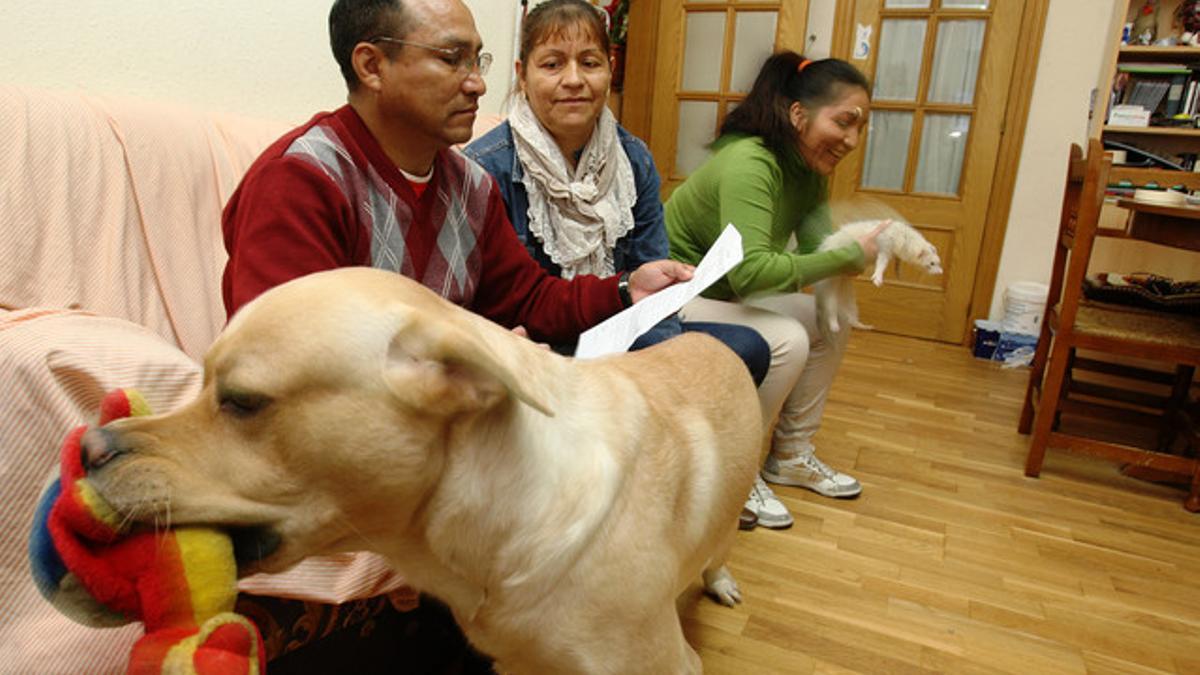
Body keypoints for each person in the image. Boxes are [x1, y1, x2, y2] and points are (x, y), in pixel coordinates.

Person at [221, 0, 693, 347]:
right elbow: (280, 355)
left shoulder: (468, 184)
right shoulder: (302, 180)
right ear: (371, 66)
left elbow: (529, 300)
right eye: (452, 59)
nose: (477, 83)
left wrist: (628, 288)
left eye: (476, 59)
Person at [464, 0, 769, 385]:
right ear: (522, 75)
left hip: (620, 332)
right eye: (552, 64)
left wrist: (664, 364)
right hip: (531, 346)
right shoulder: (485, 167)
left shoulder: (633, 159)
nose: (574, 79)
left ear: (609, 68)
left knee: (745, 350)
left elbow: (654, 294)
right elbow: (491, 305)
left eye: (589, 63)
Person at [665, 51, 887, 528]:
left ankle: (789, 454)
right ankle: (735, 473)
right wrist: (847, 256)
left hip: (723, 292)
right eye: (844, 122)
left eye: (859, 129)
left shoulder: (807, 172)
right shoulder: (751, 161)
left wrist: (865, 249)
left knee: (830, 316)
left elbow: (815, 252)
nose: (851, 140)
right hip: (674, 293)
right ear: (799, 114)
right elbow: (752, 274)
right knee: (788, 337)